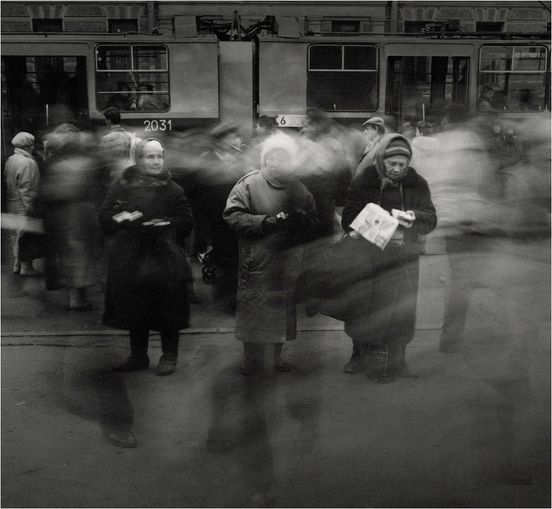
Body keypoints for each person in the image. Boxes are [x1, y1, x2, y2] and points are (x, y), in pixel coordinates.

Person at [340, 134, 437, 380]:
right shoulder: (365, 181)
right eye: (392, 164)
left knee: (402, 310)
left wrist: (415, 217)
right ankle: (359, 355)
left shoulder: (417, 183)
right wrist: (382, 223)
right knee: (365, 309)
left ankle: (399, 359)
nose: (397, 169)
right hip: (369, 259)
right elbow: (348, 218)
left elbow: (431, 218)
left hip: (404, 259)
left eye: (402, 165)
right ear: (382, 160)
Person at [223, 133, 319, 375]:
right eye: (272, 158)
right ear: (265, 160)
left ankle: (275, 359)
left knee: (281, 311)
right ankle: (252, 361)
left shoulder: (299, 189)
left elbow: (313, 221)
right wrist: (264, 222)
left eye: (282, 159)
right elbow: (232, 215)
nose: (276, 164)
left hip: (286, 261)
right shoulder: (248, 184)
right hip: (257, 260)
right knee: (253, 311)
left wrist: (302, 220)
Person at [99, 138, 194, 375]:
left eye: (159, 156)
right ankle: (138, 356)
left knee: (168, 310)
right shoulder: (121, 186)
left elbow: (187, 222)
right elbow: (104, 217)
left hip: (165, 259)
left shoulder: (174, 190)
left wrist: (166, 223)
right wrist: (121, 217)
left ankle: (169, 356)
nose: (156, 161)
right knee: (136, 309)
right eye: (150, 156)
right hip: (131, 258)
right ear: (139, 159)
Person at [40, 124, 100, 308]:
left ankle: (77, 295)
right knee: (80, 253)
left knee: (73, 253)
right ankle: (77, 298)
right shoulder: (84, 162)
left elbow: (47, 192)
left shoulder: (55, 163)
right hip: (79, 213)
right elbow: (92, 189)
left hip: (64, 214)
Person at [3, 132, 41, 276]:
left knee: (15, 235)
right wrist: (31, 208)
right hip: (22, 203)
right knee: (25, 236)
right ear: (27, 146)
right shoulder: (27, 162)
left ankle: (16, 264)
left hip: (11, 201)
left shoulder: (10, 160)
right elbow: (26, 188)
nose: (33, 148)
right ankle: (26, 266)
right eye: (31, 145)